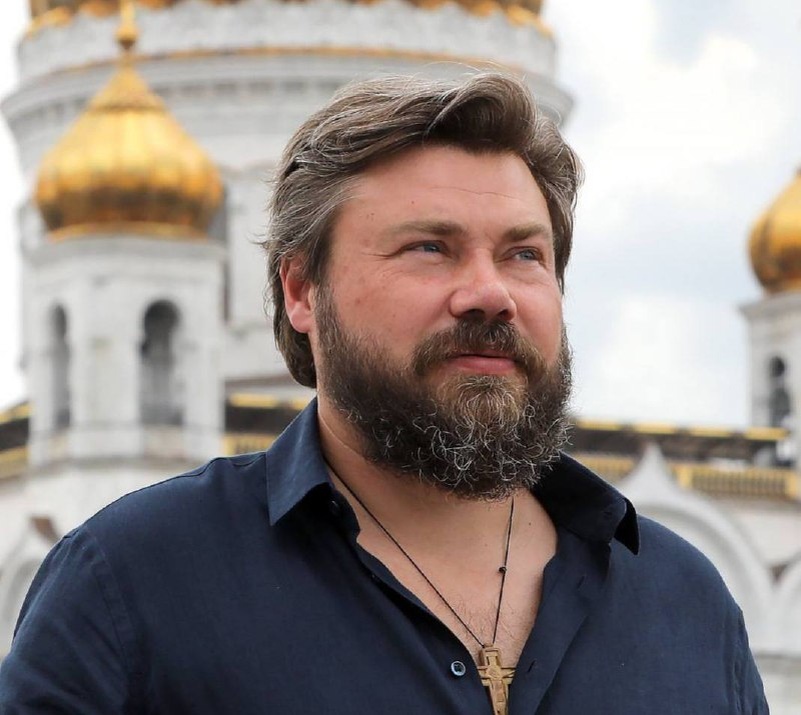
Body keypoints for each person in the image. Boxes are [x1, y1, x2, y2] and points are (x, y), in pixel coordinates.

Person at [0, 72, 768, 715]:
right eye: (429, 247)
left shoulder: (679, 601)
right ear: (301, 290)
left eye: (523, 254)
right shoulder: (137, 582)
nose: (489, 293)